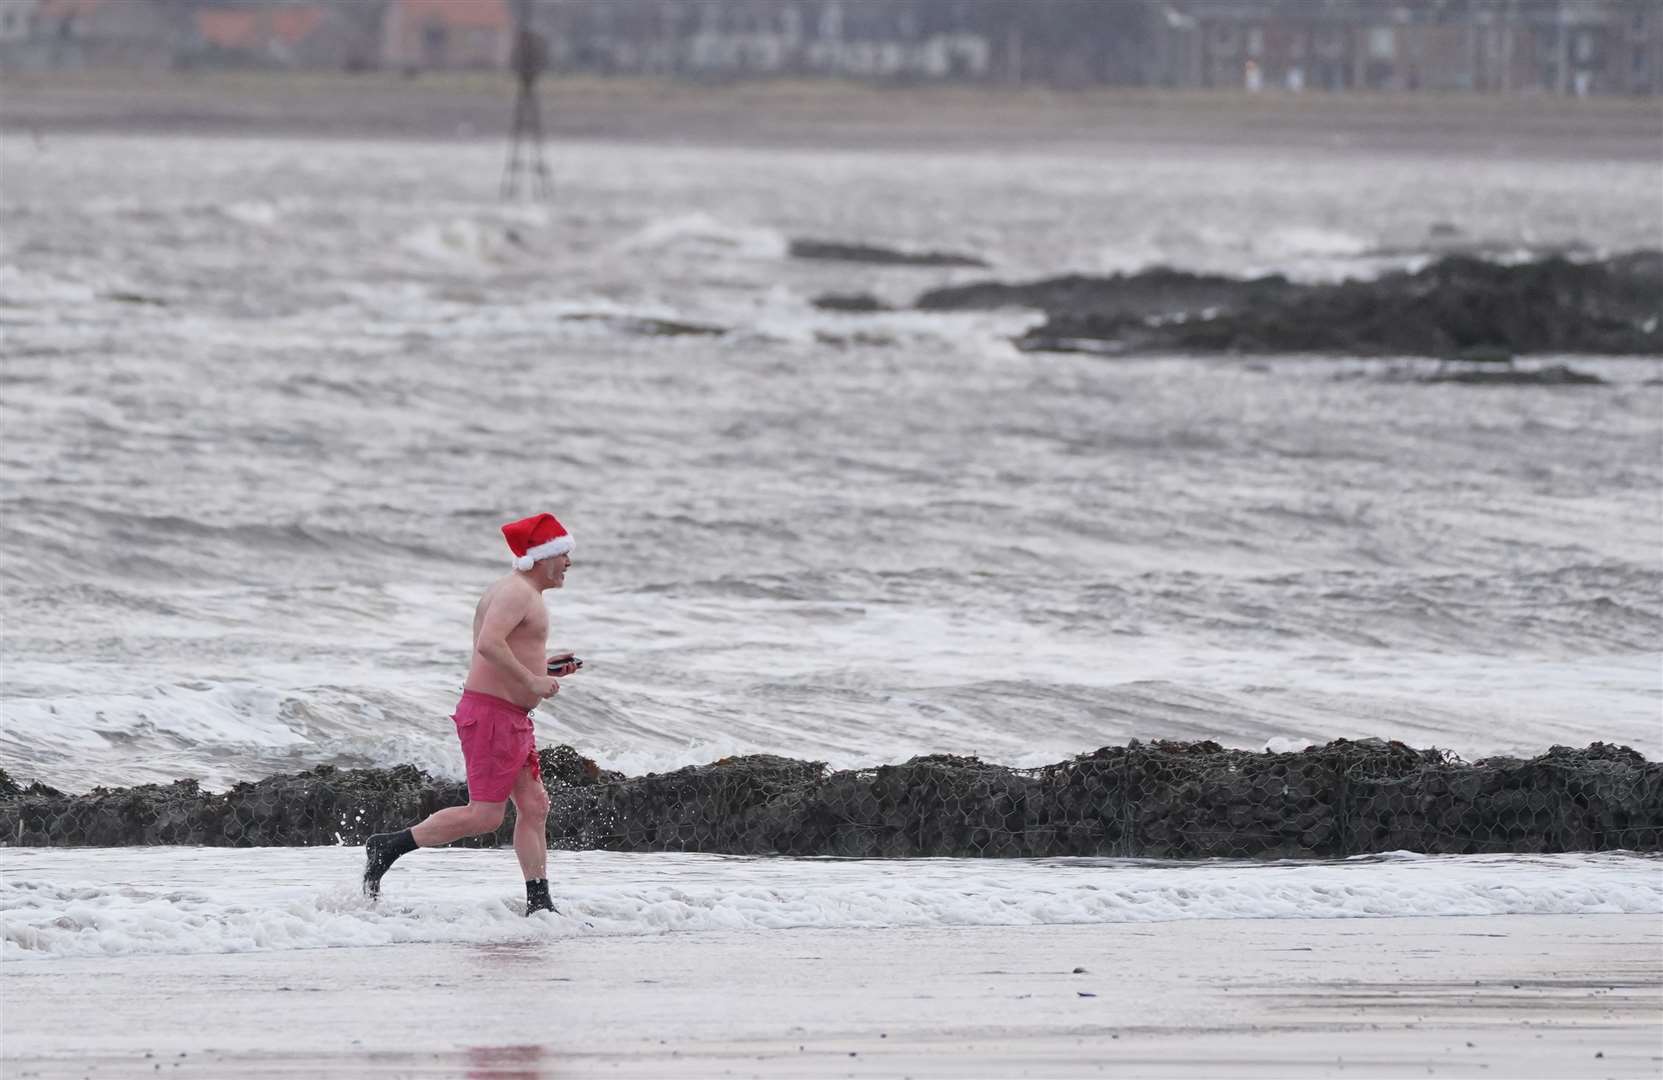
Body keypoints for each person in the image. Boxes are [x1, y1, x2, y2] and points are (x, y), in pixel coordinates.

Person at [363, 513, 579, 915]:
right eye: (564, 554)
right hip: (493, 717)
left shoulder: (522, 594)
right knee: (484, 816)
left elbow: (504, 650)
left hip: (509, 717)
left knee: (535, 806)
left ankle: (540, 904)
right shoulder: (517, 592)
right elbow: (488, 646)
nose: (569, 563)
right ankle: (388, 846)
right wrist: (532, 684)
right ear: (543, 556)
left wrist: (545, 669)